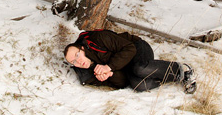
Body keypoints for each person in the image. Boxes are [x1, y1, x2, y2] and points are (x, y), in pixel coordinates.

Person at [64, 29, 197, 94]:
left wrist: (109, 67)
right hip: (127, 68)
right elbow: (122, 83)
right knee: (137, 84)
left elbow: (129, 48)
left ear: (82, 49)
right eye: (73, 61)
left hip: (137, 48)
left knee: (139, 68)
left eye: (77, 55)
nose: (78, 61)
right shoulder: (85, 74)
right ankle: (170, 76)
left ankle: (183, 71)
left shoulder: (98, 39)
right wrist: (111, 75)